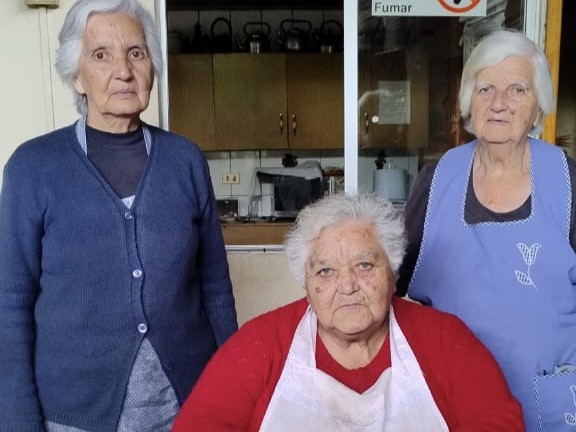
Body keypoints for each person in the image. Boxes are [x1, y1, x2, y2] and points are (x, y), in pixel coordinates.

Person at [0, 0, 238, 431]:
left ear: (152, 67)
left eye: (136, 52)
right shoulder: (33, 168)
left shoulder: (184, 160)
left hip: (186, 406)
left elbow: (216, 289)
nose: (123, 71)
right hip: (75, 415)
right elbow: (10, 302)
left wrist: (234, 392)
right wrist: (17, 419)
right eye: (100, 55)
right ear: (77, 76)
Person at [172, 193, 524, 431]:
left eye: (365, 265)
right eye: (326, 271)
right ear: (306, 281)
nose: (348, 285)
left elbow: (497, 422)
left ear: (392, 268)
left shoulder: (445, 340)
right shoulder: (260, 345)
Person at [398, 29, 576, 432]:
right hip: (454, 401)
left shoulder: (569, 184)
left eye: (517, 89)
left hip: (551, 407)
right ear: (468, 102)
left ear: (539, 106)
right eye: (485, 89)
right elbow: (388, 285)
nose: (499, 103)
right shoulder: (435, 180)